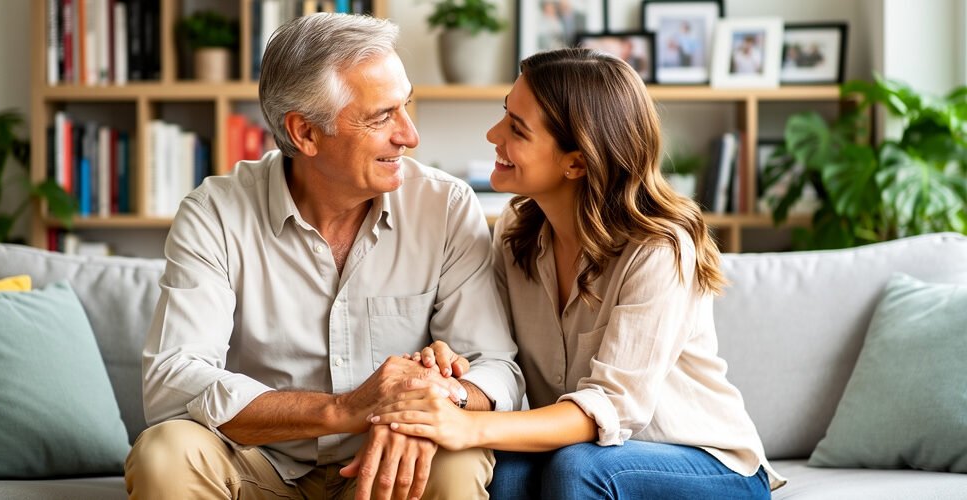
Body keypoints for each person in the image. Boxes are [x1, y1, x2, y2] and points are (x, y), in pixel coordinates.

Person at [125, 13, 524, 500]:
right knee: (165, 452)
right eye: (382, 116)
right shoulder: (216, 213)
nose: (409, 135)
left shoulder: (445, 206)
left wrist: (430, 402)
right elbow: (173, 381)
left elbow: (498, 369)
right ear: (305, 134)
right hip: (260, 466)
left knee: (457, 459)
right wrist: (341, 409)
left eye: (407, 106)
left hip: (390, 465)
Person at [364, 48, 786, 498]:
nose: (493, 134)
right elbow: (491, 350)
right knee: (499, 473)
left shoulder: (660, 249)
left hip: (708, 464)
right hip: (585, 454)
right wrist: (446, 366)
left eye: (517, 130)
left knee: (578, 469)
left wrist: (466, 426)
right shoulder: (515, 231)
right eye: (504, 114)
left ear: (576, 162)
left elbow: (609, 408)